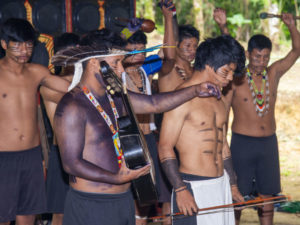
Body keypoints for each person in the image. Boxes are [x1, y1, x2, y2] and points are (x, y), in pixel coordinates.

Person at [52, 29, 221, 225]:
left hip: (123, 200)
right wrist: (116, 178)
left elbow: (154, 103)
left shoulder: (116, 97)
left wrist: (196, 90)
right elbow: (71, 163)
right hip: (91, 205)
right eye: (116, 63)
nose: (121, 70)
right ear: (93, 64)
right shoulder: (73, 106)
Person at [215, 10, 300, 225]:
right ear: (247, 53)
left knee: (268, 195)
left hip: (268, 143)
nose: (261, 62)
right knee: (238, 196)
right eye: (256, 57)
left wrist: (291, 26)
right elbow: (230, 50)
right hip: (242, 143)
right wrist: (223, 26)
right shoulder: (237, 78)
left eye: (265, 57)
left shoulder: (274, 73)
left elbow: (297, 50)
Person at [158, 35, 246, 225]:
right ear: (209, 65)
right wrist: (181, 190)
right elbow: (165, 146)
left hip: (221, 184)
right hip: (192, 186)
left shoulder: (219, 98)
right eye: (226, 71)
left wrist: (232, 184)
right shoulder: (181, 97)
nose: (230, 78)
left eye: (232, 72)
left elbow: (223, 146)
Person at [0, 18, 69, 225]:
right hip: (3, 157)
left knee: (27, 216)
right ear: (4, 44)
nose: (24, 50)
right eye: (18, 44)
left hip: (31, 156)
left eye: (29, 44)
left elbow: (71, 88)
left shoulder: (37, 72)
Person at [122, 2, 175, 224]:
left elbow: (169, 52)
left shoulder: (146, 69)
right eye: (130, 50)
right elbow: (107, 48)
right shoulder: (114, 74)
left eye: (140, 50)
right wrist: (126, 31)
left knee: (148, 198)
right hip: (127, 142)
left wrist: (168, 18)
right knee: (130, 196)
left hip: (149, 140)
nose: (136, 54)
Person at [40, 32, 80, 225]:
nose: (71, 58)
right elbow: (76, 100)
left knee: (85, 208)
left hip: (88, 152)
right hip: (63, 153)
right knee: (61, 212)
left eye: (75, 52)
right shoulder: (49, 84)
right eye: (67, 53)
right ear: (57, 56)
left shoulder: (87, 81)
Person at [158, 24, 199, 92]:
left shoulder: (197, 71)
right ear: (175, 45)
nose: (193, 50)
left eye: (195, 46)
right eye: (188, 46)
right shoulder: (168, 69)